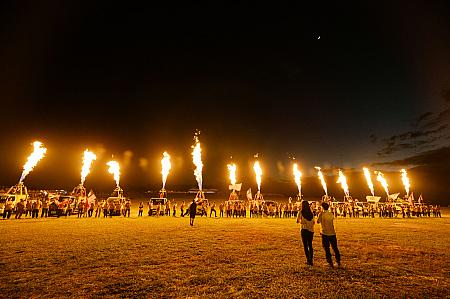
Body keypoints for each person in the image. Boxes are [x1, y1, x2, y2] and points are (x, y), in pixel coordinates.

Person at [317, 202, 341, 268]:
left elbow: (318, 221)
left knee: (326, 248)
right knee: (335, 248)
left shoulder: (321, 214)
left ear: (322, 207)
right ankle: (338, 261)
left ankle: (330, 262)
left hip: (325, 233)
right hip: (332, 233)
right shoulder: (331, 214)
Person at [297, 200, 315, 266]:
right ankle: (311, 259)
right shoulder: (311, 213)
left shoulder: (301, 212)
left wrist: (302, 222)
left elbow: (297, 220)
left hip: (304, 230)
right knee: (310, 245)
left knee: (305, 245)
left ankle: (308, 260)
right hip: (311, 231)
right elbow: (313, 222)